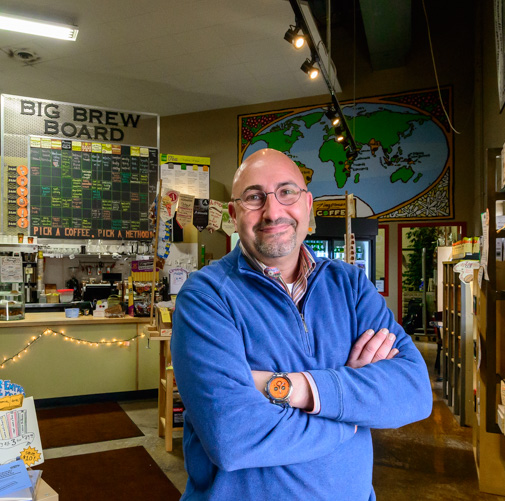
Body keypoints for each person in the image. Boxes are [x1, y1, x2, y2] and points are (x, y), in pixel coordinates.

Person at [171, 148, 433, 500]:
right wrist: (350, 415)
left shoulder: (351, 285)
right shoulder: (206, 296)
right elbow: (232, 437)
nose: (273, 211)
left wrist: (294, 388)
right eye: (254, 197)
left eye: (287, 192)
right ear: (233, 215)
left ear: (308, 205)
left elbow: (414, 392)